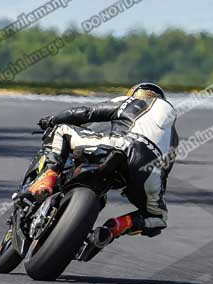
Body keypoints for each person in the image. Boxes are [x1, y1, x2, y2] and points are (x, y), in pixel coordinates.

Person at [26, 82, 178, 259]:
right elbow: (164, 173)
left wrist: (51, 120)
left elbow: (87, 113)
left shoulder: (133, 102)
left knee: (61, 130)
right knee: (157, 218)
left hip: (122, 145)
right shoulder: (173, 134)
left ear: (135, 93)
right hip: (150, 172)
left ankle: (48, 178)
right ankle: (116, 227)